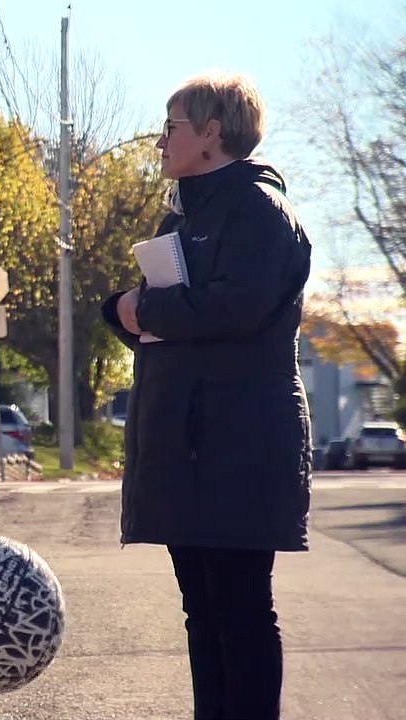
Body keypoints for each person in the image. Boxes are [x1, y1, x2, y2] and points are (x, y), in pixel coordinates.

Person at [101, 71, 312, 720]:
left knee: (241, 607)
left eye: (171, 128)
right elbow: (169, 325)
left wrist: (143, 308)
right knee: (201, 609)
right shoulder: (182, 216)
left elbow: (234, 308)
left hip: (239, 446)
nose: (160, 141)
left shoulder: (258, 211)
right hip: (184, 445)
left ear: (212, 134)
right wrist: (126, 311)